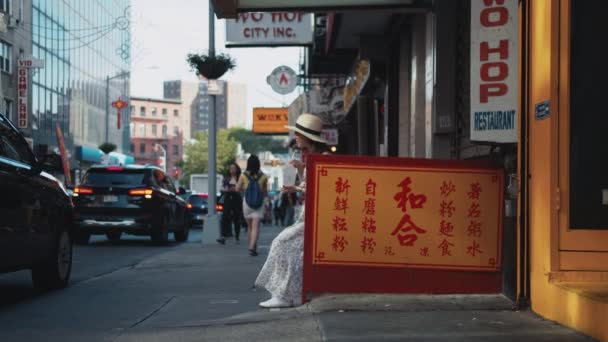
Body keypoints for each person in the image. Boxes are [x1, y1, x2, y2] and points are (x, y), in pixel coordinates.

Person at [255, 113, 328, 308]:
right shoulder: (310, 157)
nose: (295, 137)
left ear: (307, 137)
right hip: (309, 216)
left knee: (281, 243)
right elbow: (309, 183)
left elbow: (320, 186)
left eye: (298, 133)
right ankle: (290, 293)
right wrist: (300, 172)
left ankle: (285, 295)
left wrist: (296, 187)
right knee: (292, 251)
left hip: (318, 218)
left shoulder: (324, 158)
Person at [236, 154, 268, 256]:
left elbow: (237, 189)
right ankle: (252, 247)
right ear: (258, 164)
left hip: (247, 203)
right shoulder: (263, 177)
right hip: (259, 203)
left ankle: (251, 246)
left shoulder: (243, 175)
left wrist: (245, 190)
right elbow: (265, 192)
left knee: (249, 226)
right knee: (256, 226)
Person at [217, 162, 243, 245]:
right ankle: (223, 237)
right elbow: (225, 188)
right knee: (225, 217)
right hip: (228, 198)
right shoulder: (226, 178)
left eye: (234, 168)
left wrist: (233, 189)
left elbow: (240, 189)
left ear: (237, 169)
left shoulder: (240, 177)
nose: (232, 170)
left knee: (237, 218)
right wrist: (232, 189)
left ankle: (237, 237)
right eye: (231, 168)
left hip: (237, 199)